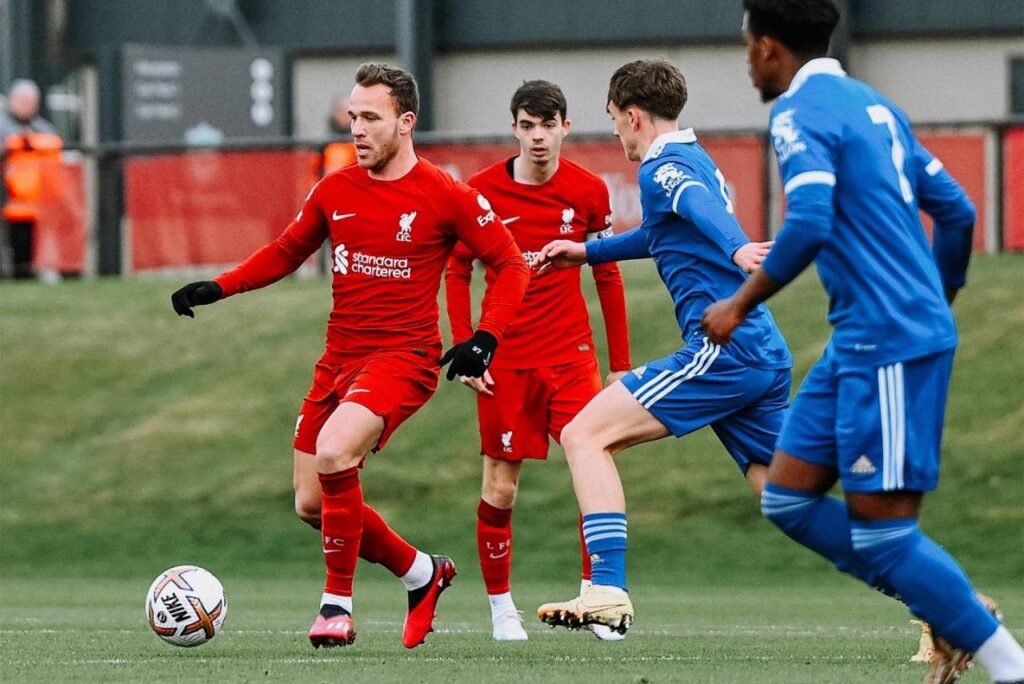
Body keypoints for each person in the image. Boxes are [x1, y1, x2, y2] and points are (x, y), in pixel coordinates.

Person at [700, 2, 1024, 683]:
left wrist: (737, 304)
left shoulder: (796, 112)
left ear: (766, 48)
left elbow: (810, 219)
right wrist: (944, 292)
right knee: (786, 498)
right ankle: (946, 604)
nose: (747, 60)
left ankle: (1006, 661)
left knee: (885, 534)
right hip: (863, 340)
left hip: (887, 341)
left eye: (746, 46)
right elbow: (958, 211)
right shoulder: (875, 106)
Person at [171, 63, 530, 650]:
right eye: (352, 118)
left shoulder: (446, 195)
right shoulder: (335, 188)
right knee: (311, 501)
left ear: (406, 122)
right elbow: (287, 250)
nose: (356, 130)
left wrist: (484, 337)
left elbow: (511, 264)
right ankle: (423, 572)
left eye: (370, 118)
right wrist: (219, 286)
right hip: (338, 360)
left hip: (404, 360)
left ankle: (336, 605)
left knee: (336, 451)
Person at [530, 58, 794, 635]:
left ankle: (607, 590)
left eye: (614, 122)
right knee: (788, 502)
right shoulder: (695, 154)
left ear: (632, 115)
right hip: (759, 351)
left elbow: (697, 203)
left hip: (724, 349)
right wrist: (587, 251)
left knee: (583, 434)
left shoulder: (664, 167)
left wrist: (738, 249)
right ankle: (937, 605)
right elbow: (664, 231)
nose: (616, 134)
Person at [444, 80, 632, 642]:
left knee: (591, 470)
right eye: (527, 126)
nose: (538, 137)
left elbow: (608, 271)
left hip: (571, 357)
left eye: (548, 126)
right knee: (500, 487)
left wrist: (619, 363)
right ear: (515, 129)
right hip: (506, 361)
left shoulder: (588, 190)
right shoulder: (480, 193)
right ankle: (502, 609)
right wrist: (467, 345)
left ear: (565, 128)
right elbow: (457, 270)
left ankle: (597, 596)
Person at [1, 79, 61, 280]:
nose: (26, 107)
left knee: (30, 242)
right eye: (22, 101)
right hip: (7, 196)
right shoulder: (3, 126)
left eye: (30, 102)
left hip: (38, 200)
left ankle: (33, 272)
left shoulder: (43, 128)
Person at [321, 96, 357, 175]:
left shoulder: (363, 140)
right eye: (341, 111)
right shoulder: (322, 142)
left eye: (349, 112)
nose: (345, 115)